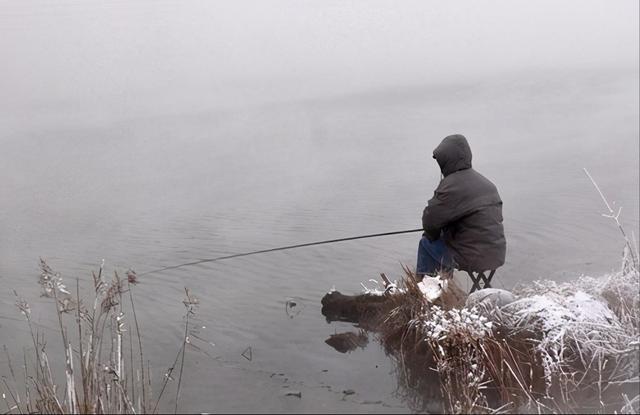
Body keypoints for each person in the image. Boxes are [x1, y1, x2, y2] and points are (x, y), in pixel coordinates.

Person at [417, 134, 506, 280]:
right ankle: (444, 288)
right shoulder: (487, 184)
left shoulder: (451, 186)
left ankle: (429, 291)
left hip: (471, 257)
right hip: (496, 254)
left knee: (426, 242)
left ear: (446, 160)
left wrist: (432, 234)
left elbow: (430, 222)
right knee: (441, 239)